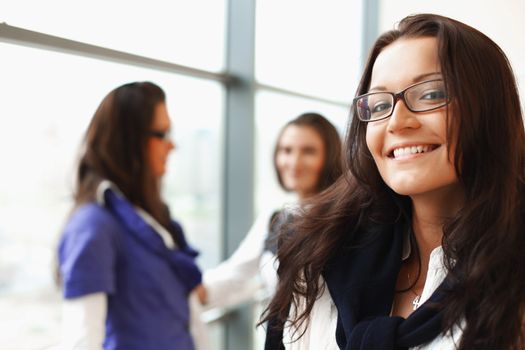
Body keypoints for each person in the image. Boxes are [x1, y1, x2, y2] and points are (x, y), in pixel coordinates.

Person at [263, 13, 525, 350]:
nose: (397, 122)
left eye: (431, 94)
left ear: (489, 109)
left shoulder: (512, 273)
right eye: (380, 104)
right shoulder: (316, 257)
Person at [57, 81, 202, 350]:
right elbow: (82, 341)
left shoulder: (148, 219)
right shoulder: (94, 225)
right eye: (162, 134)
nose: (172, 146)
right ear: (129, 142)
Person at [201, 112, 343, 310]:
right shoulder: (276, 219)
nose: (294, 162)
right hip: (280, 338)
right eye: (286, 150)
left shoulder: (344, 219)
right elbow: (234, 274)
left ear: (331, 156)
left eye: (308, 151)